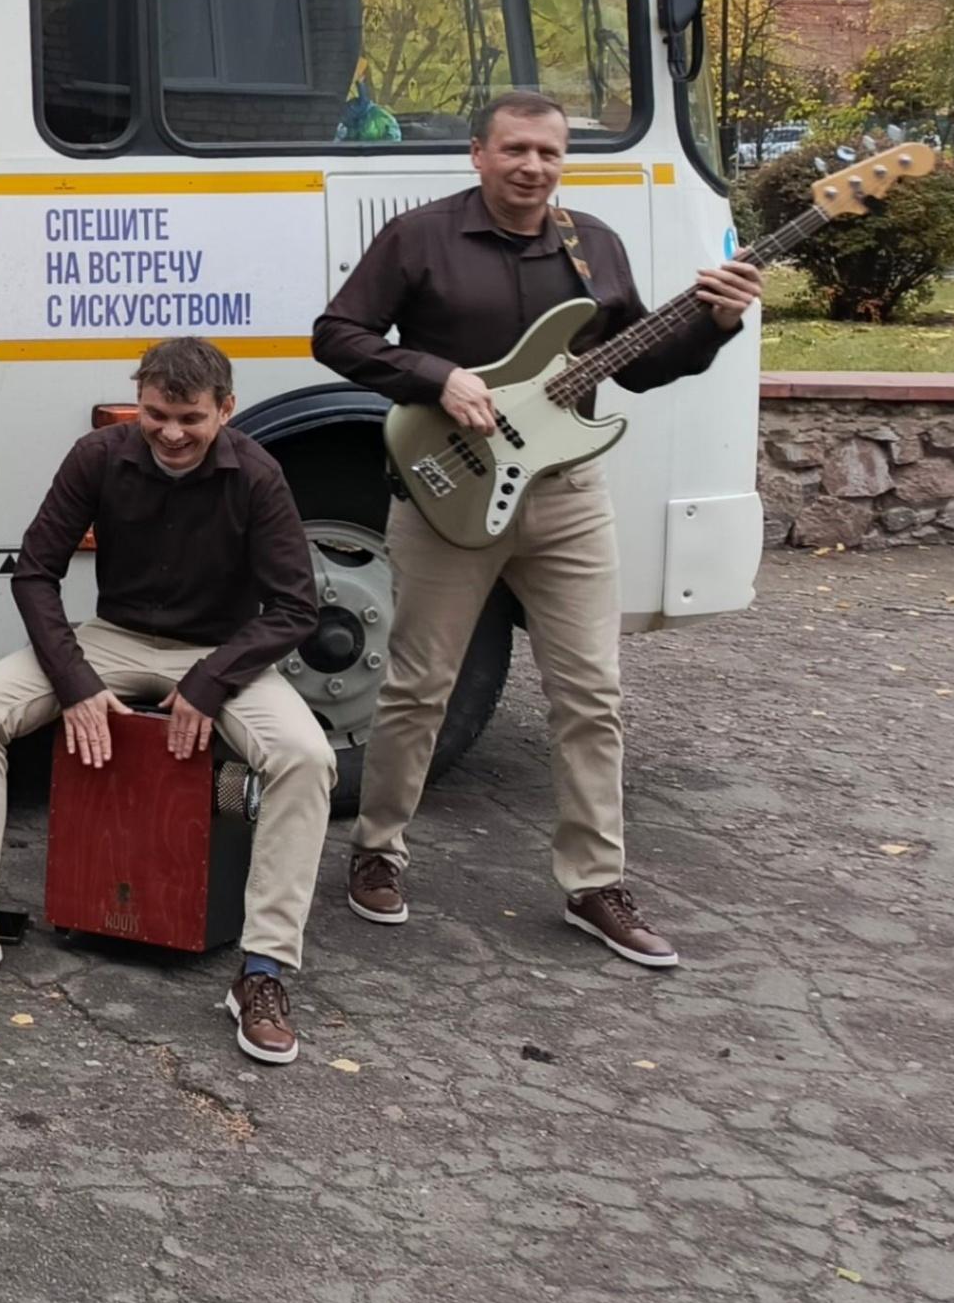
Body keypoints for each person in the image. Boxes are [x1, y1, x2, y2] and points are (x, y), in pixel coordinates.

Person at [317, 90, 761, 967]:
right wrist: (435, 375)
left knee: (592, 694)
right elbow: (338, 335)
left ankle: (596, 883)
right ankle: (377, 850)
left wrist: (714, 321)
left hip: (564, 496)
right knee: (417, 688)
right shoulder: (420, 237)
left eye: (549, 153)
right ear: (477, 153)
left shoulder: (592, 246)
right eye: (515, 149)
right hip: (448, 495)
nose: (532, 167)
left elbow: (637, 364)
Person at [0, 337, 333, 1066]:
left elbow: (295, 608)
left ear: (225, 411)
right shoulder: (100, 455)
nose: (171, 433)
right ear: (136, 402)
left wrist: (210, 683)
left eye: (190, 418)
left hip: (218, 652)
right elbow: (35, 573)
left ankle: (263, 971)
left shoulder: (259, 476)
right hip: (113, 638)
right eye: (155, 415)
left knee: (305, 758)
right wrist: (77, 683)